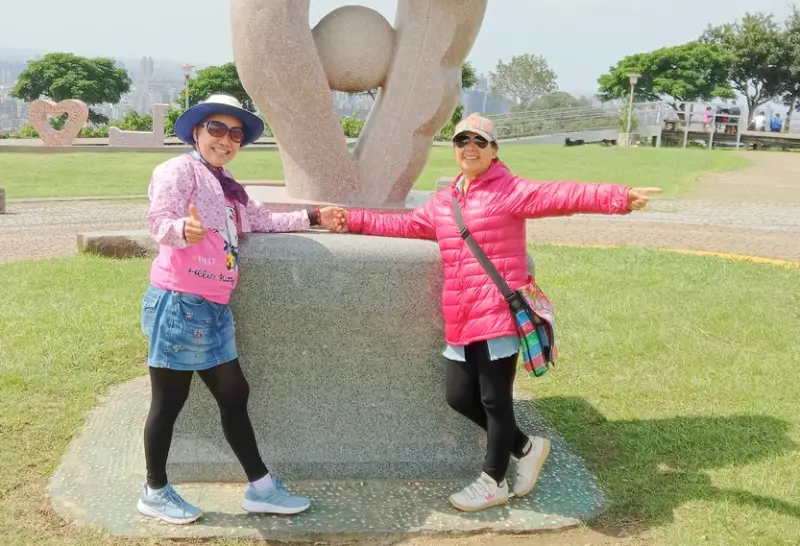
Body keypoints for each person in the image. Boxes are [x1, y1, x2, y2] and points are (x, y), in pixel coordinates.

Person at [331, 113, 660, 512]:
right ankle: (526, 445)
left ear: (493, 150)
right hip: (462, 314)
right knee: (458, 396)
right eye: (462, 140)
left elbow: (562, 195)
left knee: (494, 400)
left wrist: (619, 197)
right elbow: (405, 225)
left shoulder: (510, 190)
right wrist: (354, 220)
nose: (470, 147)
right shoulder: (446, 200)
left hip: (499, 312)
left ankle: (494, 481)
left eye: (479, 141)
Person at [139, 94, 346, 525]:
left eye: (235, 133)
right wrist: (184, 229)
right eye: (217, 129)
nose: (226, 139)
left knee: (234, 395)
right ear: (197, 131)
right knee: (169, 402)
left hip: (212, 306)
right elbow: (159, 221)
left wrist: (313, 215)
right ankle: (155, 491)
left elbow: (262, 220)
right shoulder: (178, 171)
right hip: (180, 302)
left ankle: (261, 488)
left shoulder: (227, 183)